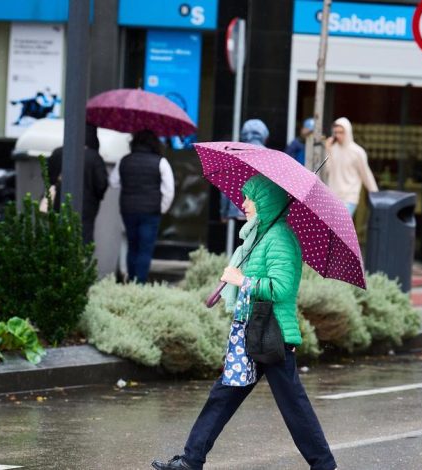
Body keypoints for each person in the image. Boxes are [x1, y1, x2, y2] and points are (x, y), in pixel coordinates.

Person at [151, 175, 337, 470]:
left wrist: (242, 279)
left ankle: (325, 466)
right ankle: (191, 460)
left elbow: (282, 288)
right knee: (223, 395)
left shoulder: (280, 238)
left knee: (294, 407)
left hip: (273, 333)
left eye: (251, 198)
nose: (244, 203)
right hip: (251, 330)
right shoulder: (259, 236)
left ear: (267, 203)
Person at [109, 129, 174, 284]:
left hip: (128, 210)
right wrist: (161, 208)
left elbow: (113, 182)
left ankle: (131, 280)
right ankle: (140, 284)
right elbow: (169, 190)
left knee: (132, 246)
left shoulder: (124, 160)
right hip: (151, 212)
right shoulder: (160, 162)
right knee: (145, 248)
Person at [47, 123, 109, 244]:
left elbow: (49, 177)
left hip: (59, 201)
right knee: (83, 238)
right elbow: (101, 184)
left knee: (58, 237)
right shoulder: (94, 157)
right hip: (86, 205)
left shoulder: (58, 153)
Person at [220, 119, 270, 252]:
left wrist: (224, 212)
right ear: (265, 135)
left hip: (238, 211)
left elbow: (227, 186)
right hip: (261, 213)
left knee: (238, 251)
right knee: (256, 252)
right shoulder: (270, 157)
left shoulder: (235, 155)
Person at [324, 117, 378, 216]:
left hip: (349, 197)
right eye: (336, 132)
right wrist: (327, 150)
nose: (338, 135)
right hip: (333, 196)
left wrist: (375, 193)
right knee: (332, 229)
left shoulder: (357, 152)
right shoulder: (332, 148)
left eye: (341, 132)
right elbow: (327, 170)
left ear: (348, 132)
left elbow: (365, 173)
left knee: (341, 228)